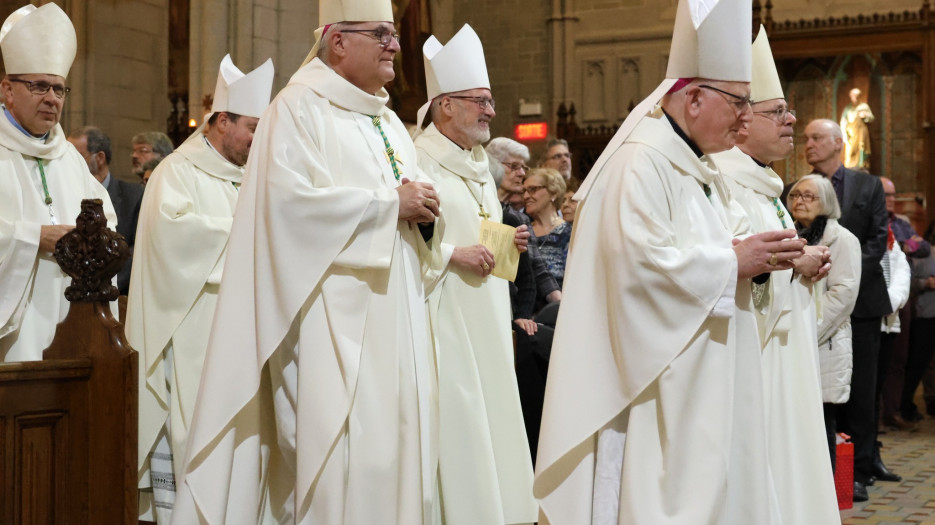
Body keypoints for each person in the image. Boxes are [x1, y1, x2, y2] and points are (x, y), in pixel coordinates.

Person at [534, 0, 808, 522]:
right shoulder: (642, 161)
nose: (746, 117)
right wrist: (734, 262)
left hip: (700, 381)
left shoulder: (695, 165)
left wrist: (754, 259)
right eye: (739, 102)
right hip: (655, 389)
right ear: (695, 97)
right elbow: (634, 271)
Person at [170, 0, 443, 522]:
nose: (396, 44)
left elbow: (409, 207)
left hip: (398, 318)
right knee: (346, 463)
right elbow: (285, 209)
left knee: (402, 448)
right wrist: (389, 207)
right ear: (338, 41)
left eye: (394, 34)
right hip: (332, 326)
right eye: (382, 34)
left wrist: (427, 211)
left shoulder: (387, 119)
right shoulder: (296, 109)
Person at [127, 54, 274, 524]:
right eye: (252, 127)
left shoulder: (258, 176)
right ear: (222, 121)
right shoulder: (176, 173)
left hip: (252, 343)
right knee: (200, 446)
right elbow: (171, 244)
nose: (258, 140)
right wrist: (249, 233)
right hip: (196, 340)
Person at [710, 27, 840, 523]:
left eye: (789, 112)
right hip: (755, 358)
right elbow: (731, 261)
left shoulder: (766, 186)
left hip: (789, 353)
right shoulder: (722, 181)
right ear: (740, 125)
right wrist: (793, 265)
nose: (791, 122)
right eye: (777, 113)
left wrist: (802, 266)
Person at [412, 24, 537, 524]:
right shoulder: (417, 160)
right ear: (445, 106)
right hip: (443, 319)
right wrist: (448, 256)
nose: (490, 110)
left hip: (486, 314)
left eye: (490, 100)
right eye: (479, 100)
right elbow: (404, 243)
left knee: (494, 413)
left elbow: (480, 237)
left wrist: (508, 243)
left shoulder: (480, 164)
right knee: (460, 419)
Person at [0, 3, 117, 362]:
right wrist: (33, 237)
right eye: (39, 86)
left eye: (59, 89)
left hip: (72, 324)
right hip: (15, 328)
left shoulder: (69, 159)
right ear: (7, 89)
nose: (52, 98)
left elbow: (107, 222)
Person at [804, 117, 890, 500]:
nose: (808, 145)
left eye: (817, 138)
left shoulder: (867, 185)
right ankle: (833, 471)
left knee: (862, 389)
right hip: (819, 300)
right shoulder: (800, 188)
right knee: (825, 389)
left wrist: (848, 273)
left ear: (839, 142)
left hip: (862, 300)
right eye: (805, 139)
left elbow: (876, 238)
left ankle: (864, 464)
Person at [787, 175, 861, 476]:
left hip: (822, 343)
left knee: (821, 426)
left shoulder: (842, 239)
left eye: (809, 196)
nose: (800, 201)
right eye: (795, 195)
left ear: (827, 202)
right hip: (790, 341)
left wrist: (806, 330)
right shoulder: (786, 235)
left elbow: (843, 294)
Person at [68, 126, 143, 296]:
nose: (69, 163)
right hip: (74, 291)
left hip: (119, 293)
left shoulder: (134, 195)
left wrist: (103, 286)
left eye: (76, 157)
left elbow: (138, 250)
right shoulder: (66, 192)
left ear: (100, 158)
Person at [523, 167, 569, 288]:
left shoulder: (570, 234)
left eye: (532, 189)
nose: (526, 196)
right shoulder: (522, 232)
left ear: (554, 193)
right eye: (524, 191)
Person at [840, 88, 874, 170]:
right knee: (850, 153)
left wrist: (866, 116)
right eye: (854, 96)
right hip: (851, 134)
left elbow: (871, 118)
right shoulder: (847, 108)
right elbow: (843, 121)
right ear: (850, 96)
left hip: (861, 133)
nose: (855, 98)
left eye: (857, 96)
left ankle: (862, 165)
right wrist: (844, 135)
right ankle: (850, 168)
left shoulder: (864, 106)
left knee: (861, 149)